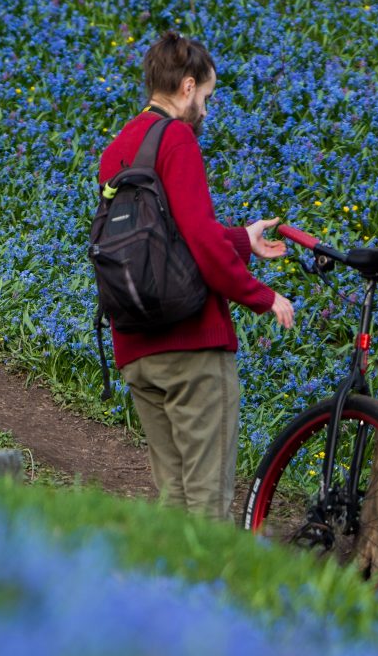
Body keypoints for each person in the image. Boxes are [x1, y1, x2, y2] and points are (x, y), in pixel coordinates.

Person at [98, 31, 295, 520]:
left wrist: (240, 240)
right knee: (206, 508)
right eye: (205, 97)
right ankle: (205, 597)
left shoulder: (117, 148)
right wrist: (262, 297)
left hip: (136, 351)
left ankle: (165, 596)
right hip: (191, 352)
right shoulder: (177, 138)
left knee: (174, 505)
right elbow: (200, 245)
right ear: (187, 87)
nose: (205, 110)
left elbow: (166, 237)